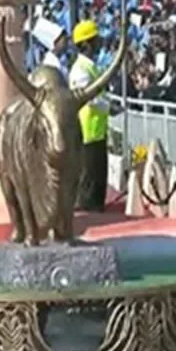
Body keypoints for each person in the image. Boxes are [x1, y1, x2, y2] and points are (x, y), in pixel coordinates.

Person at [70, 20, 111, 211]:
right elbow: (89, 98)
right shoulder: (80, 69)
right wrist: (109, 106)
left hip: (97, 131)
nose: (99, 44)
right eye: (95, 40)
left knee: (98, 180)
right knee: (89, 183)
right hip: (87, 132)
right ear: (86, 44)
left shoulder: (91, 66)